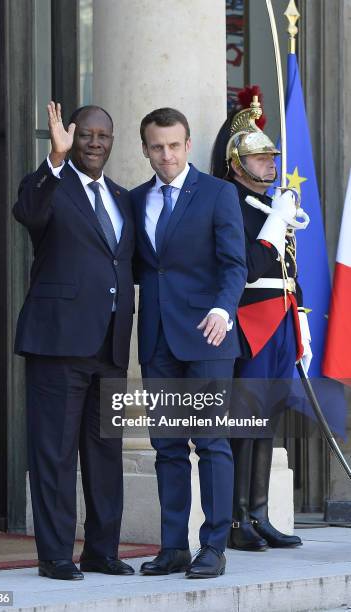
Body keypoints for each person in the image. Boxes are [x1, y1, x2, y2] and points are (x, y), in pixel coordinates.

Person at [13, 102, 135, 580]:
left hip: (110, 346)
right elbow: (27, 211)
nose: (95, 143)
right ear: (68, 135)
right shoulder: (49, 185)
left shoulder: (124, 197)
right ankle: (57, 555)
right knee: (55, 453)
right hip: (58, 343)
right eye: (86, 134)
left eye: (103, 135)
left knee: (106, 455)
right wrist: (55, 161)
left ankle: (102, 551)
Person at [131, 107, 247, 579]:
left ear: (188, 145)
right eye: (157, 147)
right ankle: (173, 547)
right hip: (158, 338)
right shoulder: (136, 199)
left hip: (207, 337)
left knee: (212, 442)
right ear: (145, 150)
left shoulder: (218, 194)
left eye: (174, 146)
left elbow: (234, 264)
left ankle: (214, 547)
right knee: (168, 447)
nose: (166, 155)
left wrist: (223, 309)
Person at [211, 88, 312, 551]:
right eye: (260, 158)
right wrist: (276, 222)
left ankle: (259, 513)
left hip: (282, 319)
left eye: (271, 157)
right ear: (236, 163)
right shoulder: (228, 201)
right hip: (251, 318)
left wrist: (302, 321)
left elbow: (289, 268)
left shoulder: (271, 202)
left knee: (267, 421)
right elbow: (247, 265)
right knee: (243, 422)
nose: (271, 164)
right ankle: (235, 522)